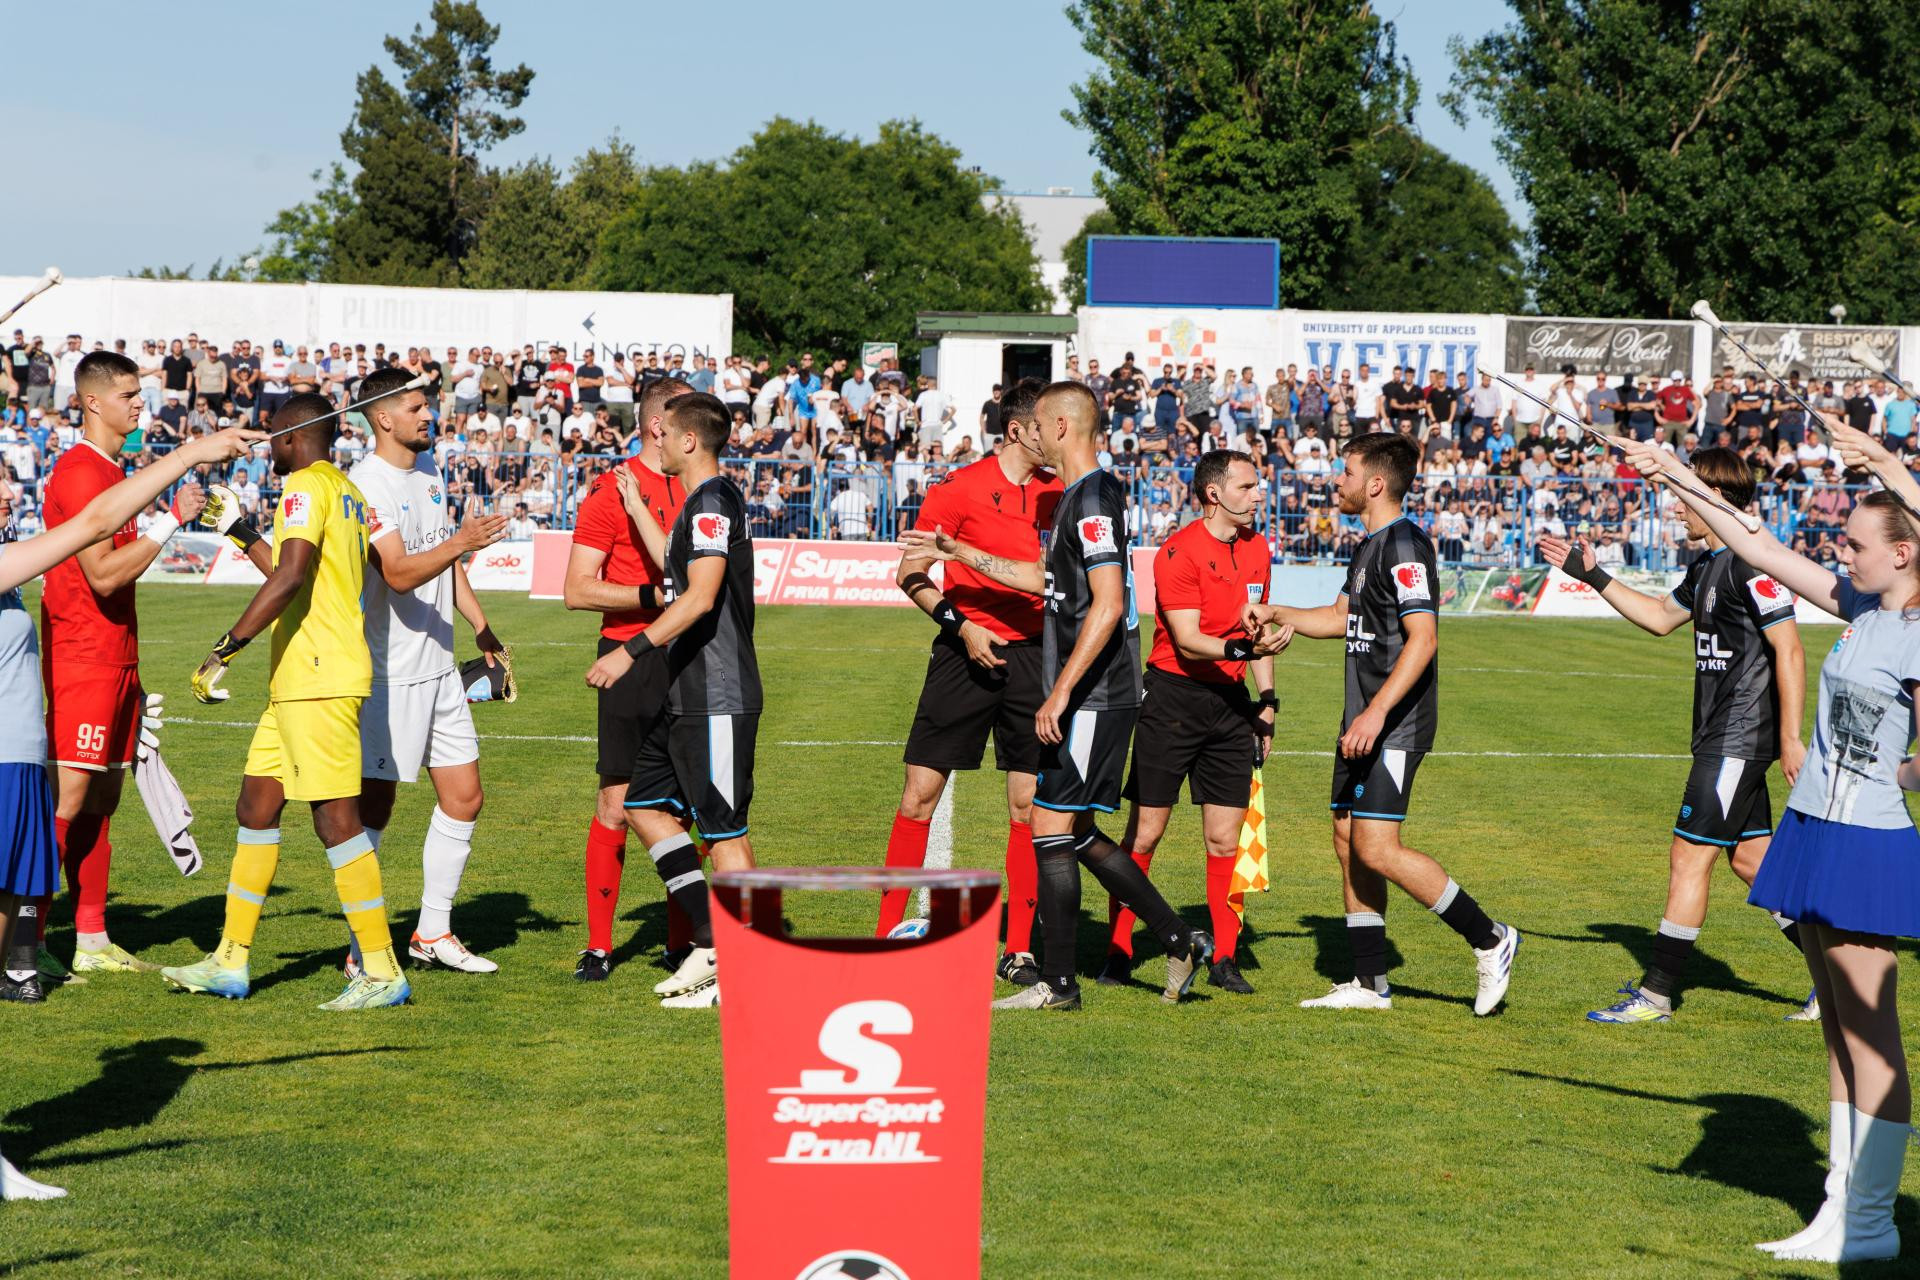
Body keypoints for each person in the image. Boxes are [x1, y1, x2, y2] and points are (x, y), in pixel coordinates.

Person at [1620, 422, 1920, 1264]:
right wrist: (1672, 471)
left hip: (1866, 838)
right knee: (1838, 1035)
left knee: (1872, 1036)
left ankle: (1872, 1222)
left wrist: (1896, 773)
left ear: (1904, 552)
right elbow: (1757, 543)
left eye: (1857, 544)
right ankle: (1838, 1207)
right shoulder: (1860, 608)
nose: (1841, 552)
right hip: (1816, 826)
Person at [0, 422, 256, 1195]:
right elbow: (93, 533)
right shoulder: (25, 539)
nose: (8, 491)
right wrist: (186, 464)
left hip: (23, 758)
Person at [901, 382, 1213, 1010]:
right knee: (1073, 828)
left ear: (1062, 427)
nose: (1032, 436)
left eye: (1039, 425)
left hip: (1096, 693)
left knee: (1050, 825)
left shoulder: (1091, 497)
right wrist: (958, 551)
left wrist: (1060, 692)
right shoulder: (1080, 495)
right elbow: (1044, 580)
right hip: (1088, 692)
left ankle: (1060, 983)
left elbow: (1110, 604)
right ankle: (1179, 939)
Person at [1245, 432, 1519, 1014]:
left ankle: (1490, 938)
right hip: (1362, 720)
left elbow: (1424, 639)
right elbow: (1337, 617)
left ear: (1373, 484)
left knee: (1376, 846)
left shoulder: (1406, 546)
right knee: (1348, 838)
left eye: (1345, 472)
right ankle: (1370, 983)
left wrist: (1375, 712)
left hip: (1393, 722)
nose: (1336, 481)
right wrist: (1277, 611)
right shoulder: (1369, 546)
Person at [1540, 447, 1812, 1024]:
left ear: (1712, 498)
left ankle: (1656, 995)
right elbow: (1660, 618)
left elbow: (1789, 649)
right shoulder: (1708, 566)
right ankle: (1838, 976)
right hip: (1722, 738)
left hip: (1738, 738)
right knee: (1753, 863)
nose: (1676, 508)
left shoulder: (1753, 564)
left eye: (1684, 497)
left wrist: (1791, 738)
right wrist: (1593, 576)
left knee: (1688, 857)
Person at [161, 393, 407, 1011]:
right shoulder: (344, 490)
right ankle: (230, 961)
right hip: (301, 679)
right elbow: (296, 572)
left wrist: (226, 648)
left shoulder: (302, 485)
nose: (267, 446)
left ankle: (382, 970)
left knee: (335, 819)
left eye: (272, 435)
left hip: (317, 677)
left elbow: (291, 576)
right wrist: (241, 532)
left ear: (293, 437)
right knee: (256, 807)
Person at [876, 379, 1062, 982]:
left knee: (1027, 805)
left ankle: (1020, 950)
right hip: (963, 651)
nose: (1058, 434)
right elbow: (910, 573)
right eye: (1048, 425)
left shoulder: (1059, 493)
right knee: (919, 794)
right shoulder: (956, 488)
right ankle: (885, 937)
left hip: (1034, 658)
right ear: (1018, 430)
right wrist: (962, 627)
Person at [585, 392, 764, 1010]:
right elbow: (676, 565)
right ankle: (714, 940)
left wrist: (628, 652)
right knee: (642, 806)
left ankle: (743, 965)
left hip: (718, 693)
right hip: (687, 692)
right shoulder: (700, 502)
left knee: (725, 833)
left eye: (663, 435)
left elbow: (699, 596)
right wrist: (637, 506)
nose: (653, 441)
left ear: (689, 441)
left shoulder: (712, 501)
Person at [36, 352, 207, 978]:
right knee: (68, 798)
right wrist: (171, 520)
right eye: (129, 394)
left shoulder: (113, 471)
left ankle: (91, 938)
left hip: (117, 657)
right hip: (82, 656)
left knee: (103, 797)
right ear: (92, 402)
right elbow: (105, 575)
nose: (140, 403)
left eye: (140, 393)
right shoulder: (82, 471)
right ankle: (25, 943)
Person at [345, 367, 511, 976]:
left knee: (465, 798)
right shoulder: (365, 484)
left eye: (427, 406)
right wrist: (460, 542)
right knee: (374, 811)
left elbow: (443, 560)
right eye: (416, 407)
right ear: (383, 418)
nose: (427, 415)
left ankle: (432, 932)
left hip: (440, 669)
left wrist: (481, 625)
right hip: (389, 676)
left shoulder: (429, 470)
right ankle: (360, 950)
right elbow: (396, 572)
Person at [1107, 450, 1283, 994]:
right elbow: (1186, 641)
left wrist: (1267, 701)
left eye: (1257, 486)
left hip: (1230, 706)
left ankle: (1223, 958)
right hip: (1172, 701)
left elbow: (1259, 631)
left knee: (1225, 840)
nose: (1258, 495)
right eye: (1247, 486)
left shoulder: (1258, 548)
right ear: (1214, 494)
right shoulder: (1177, 552)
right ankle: (1118, 948)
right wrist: (1244, 649)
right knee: (1146, 833)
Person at [562, 378, 691, 981]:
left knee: (688, 808)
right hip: (629, 659)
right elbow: (577, 589)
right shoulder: (611, 491)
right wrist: (657, 596)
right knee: (615, 804)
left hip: (694, 659)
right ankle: (598, 946)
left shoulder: (703, 485)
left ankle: (682, 943)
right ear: (659, 425)